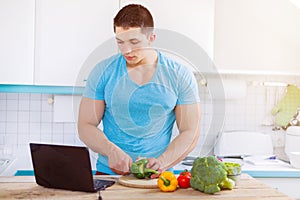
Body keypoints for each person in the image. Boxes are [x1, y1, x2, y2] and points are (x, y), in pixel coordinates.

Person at [78, 4, 201, 176]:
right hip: (110, 175)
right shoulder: (102, 72)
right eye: (120, 42)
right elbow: (85, 125)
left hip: (159, 177)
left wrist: (163, 162)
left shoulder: (179, 75)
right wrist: (111, 151)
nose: (126, 50)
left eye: (134, 42)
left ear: (151, 38)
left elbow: (191, 131)